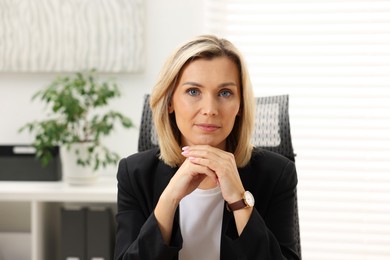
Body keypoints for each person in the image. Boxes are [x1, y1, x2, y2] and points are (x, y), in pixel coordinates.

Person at [114, 35, 301, 260]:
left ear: (240, 105)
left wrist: (238, 199)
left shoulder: (277, 174)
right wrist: (170, 197)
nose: (210, 109)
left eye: (225, 93)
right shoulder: (134, 173)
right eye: (193, 91)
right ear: (170, 101)